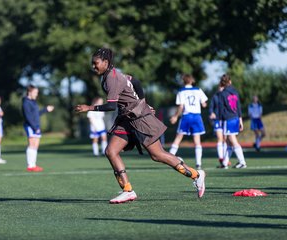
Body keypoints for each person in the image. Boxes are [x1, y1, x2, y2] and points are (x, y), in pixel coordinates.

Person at [75, 48, 205, 204]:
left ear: (106, 62)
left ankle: (196, 175)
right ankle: (128, 190)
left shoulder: (112, 78)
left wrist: (89, 108)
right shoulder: (111, 75)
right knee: (111, 151)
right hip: (126, 119)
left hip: (140, 119)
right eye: (92, 64)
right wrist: (143, 101)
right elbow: (135, 82)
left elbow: (111, 106)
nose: (93, 67)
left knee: (157, 155)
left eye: (95, 63)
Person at [169, 74, 208, 170]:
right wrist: (204, 104)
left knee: (178, 138)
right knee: (197, 141)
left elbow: (181, 106)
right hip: (196, 117)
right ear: (192, 80)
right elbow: (204, 104)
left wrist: (175, 116)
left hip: (187, 116)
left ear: (183, 81)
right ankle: (198, 163)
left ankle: (168, 159)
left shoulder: (181, 91)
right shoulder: (198, 90)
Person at [22, 85, 54, 172]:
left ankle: (33, 165)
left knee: (36, 145)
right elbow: (28, 117)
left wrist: (45, 110)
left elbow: (36, 114)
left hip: (36, 126)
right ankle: (30, 165)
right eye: (35, 92)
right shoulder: (26, 102)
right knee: (32, 144)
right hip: (30, 126)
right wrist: (34, 127)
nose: (36, 94)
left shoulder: (33, 102)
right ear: (30, 92)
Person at [218, 74, 247, 169]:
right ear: (230, 82)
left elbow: (221, 110)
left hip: (228, 119)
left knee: (232, 140)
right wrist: (240, 120)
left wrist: (221, 122)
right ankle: (225, 162)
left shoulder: (222, 94)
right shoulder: (235, 92)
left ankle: (242, 162)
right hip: (235, 118)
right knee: (229, 141)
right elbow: (238, 107)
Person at [209, 85, 231, 167]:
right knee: (220, 138)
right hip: (218, 120)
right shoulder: (215, 97)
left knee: (226, 139)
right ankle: (221, 158)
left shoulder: (227, 96)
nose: (221, 89)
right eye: (220, 88)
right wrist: (212, 113)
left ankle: (225, 159)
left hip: (225, 119)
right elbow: (211, 108)